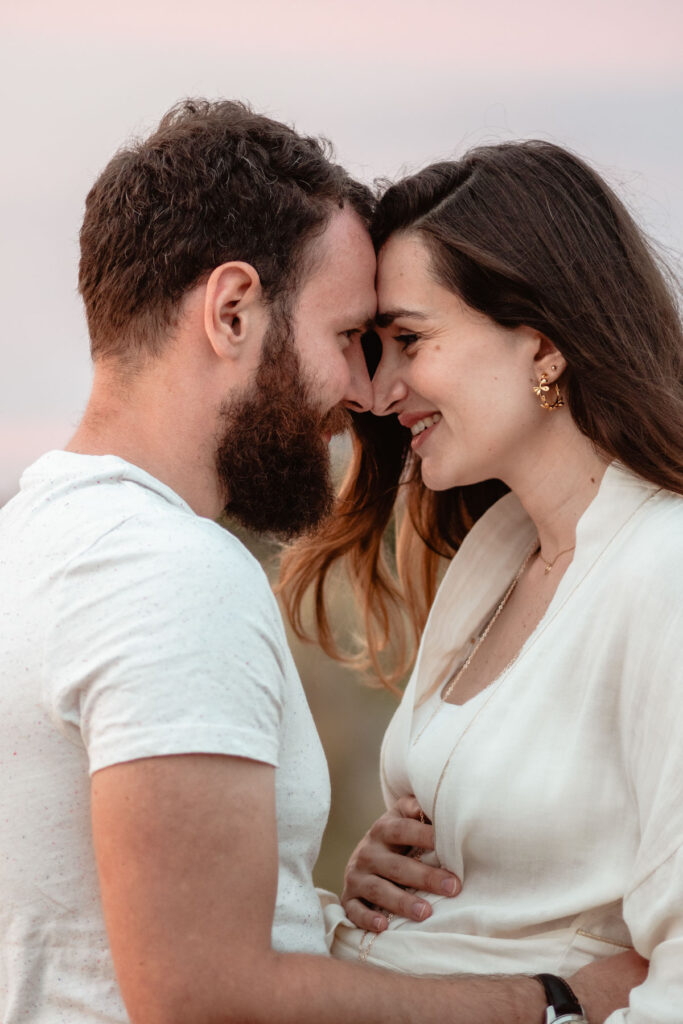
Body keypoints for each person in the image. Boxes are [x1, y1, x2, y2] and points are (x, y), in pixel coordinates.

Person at [2, 100, 631, 1024]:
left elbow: (107, 938)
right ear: (231, 312)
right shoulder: (167, 575)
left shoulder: (33, 541)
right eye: (346, 339)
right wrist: (549, 1002)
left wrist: (320, 907)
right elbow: (202, 995)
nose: (364, 393)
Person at [280, 140, 682, 1023]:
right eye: (374, 346)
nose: (377, 391)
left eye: (409, 341)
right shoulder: (496, 557)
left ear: (541, 345)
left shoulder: (663, 570)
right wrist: (381, 883)